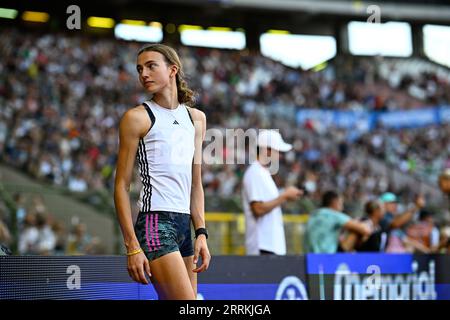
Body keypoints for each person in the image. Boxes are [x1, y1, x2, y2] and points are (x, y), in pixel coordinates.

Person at [114, 44, 210, 300]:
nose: (143, 74)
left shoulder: (196, 119)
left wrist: (201, 232)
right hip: (155, 223)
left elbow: (195, 184)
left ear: (172, 70)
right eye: (139, 69)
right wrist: (132, 245)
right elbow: (121, 185)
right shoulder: (137, 118)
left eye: (151, 66)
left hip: (184, 226)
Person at [242, 129, 303, 255]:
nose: (280, 156)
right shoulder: (255, 172)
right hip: (263, 246)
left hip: (269, 245)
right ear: (267, 150)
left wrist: (285, 196)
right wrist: (284, 196)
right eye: (278, 151)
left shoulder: (263, 173)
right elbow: (258, 208)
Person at [305, 191, 371, 253]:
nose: (342, 208)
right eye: (341, 203)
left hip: (310, 255)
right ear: (335, 202)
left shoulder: (314, 214)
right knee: (356, 232)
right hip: (329, 255)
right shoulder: (333, 214)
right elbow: (366, 230)